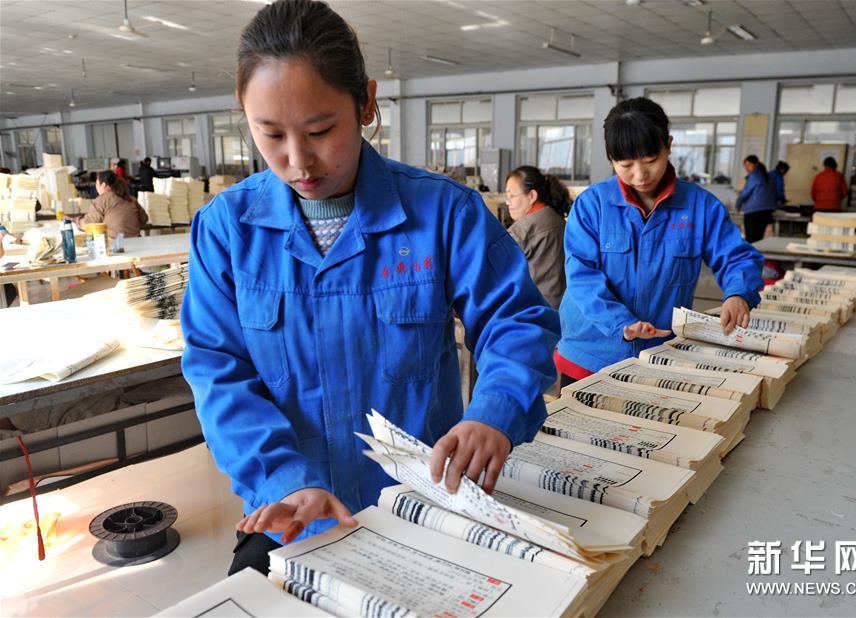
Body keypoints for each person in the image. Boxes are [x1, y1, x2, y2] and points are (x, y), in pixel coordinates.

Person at [180, 0, 559, 576]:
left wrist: (494, 413)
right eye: (270, 134)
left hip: (422, 504)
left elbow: (516, 320)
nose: (298, 161)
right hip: (295, 515)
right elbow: (218, 371)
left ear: (366, 103)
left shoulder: (442, 213)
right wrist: (283, 480)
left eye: (320, 131)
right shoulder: (227, 230)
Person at [555, 97, 763, 387]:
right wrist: (620, 323)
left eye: (651, 160)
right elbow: (582, 276)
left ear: (668, 145)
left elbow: (737, 257)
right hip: (590, 353)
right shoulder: (592, 206)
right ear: (611, 158)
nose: (640, 175)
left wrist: (738, 293)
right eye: (626, 164)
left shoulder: (700, 206)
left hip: (660, 354)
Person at [505, 166, 570, 309]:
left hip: (532, 312)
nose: (507, 202)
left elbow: (496, 275)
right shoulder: (560, 221)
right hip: (563, 310)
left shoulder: (522, 231)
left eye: (512, 196)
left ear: (532, 196)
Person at [74, 170, 148, 238]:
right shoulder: (131, 198)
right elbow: (144, 219)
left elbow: (89, 223)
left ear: (103, 185)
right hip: (136, 241)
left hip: (115, 242)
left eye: (96, 183)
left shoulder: (101, 200)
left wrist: (75, 221)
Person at [735, 155, 777, 243]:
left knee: (751, 239)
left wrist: (738, 204)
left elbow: (745, 193)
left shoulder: (754, 176)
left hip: (754, 211)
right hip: (766, 211)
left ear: (755, 164)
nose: (747, 168)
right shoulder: (768, 176)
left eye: (748, 165)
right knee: (759, 239)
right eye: (745, 166)